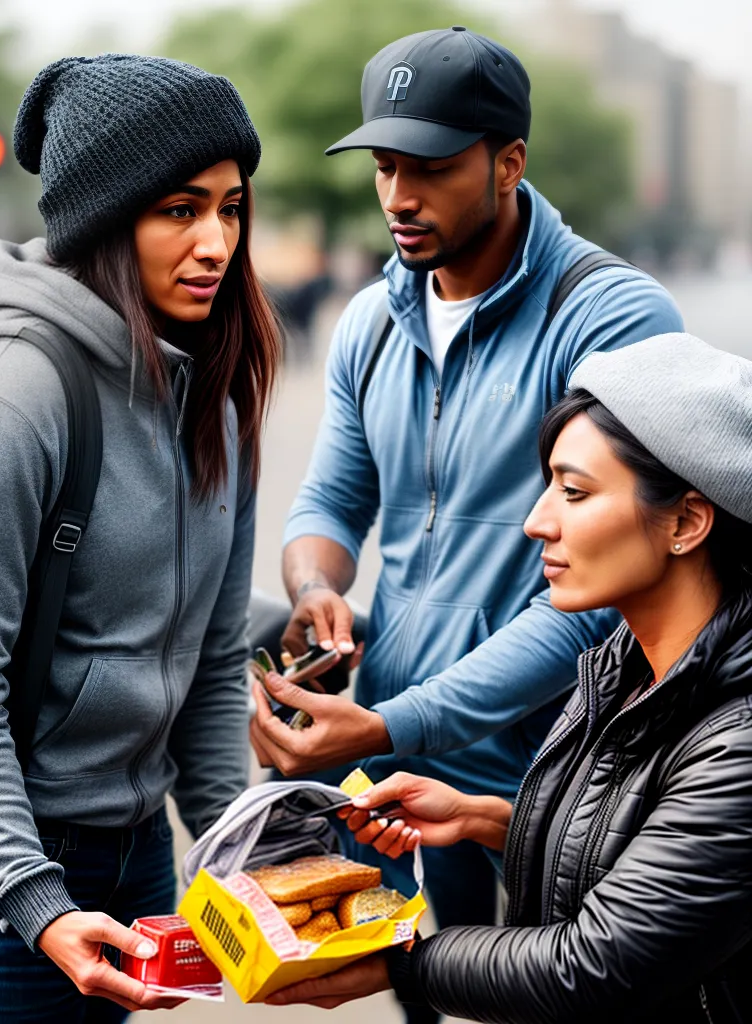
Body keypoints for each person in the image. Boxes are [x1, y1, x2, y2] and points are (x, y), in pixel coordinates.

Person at [248, 25, 683, 993]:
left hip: (561, 770)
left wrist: (389, 720)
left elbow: (613, 594)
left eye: (432, 168)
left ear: (508, 161)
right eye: (384, 165)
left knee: (563, 993)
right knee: (418, 986)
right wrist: (317, 588)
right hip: (401, 766)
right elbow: (330, 497)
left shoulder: (611, 319)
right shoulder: (371, 318)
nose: (399, 197)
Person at [0, 55, 279, 1023]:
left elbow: (208, 662)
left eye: (231, 208)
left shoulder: (215, 399)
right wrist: (35, 899)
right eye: (179, 209)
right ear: (105, 218)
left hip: (138, 852)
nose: (216, 243)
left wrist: (236, 852)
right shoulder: (10, 398)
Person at [267, 332, 752, 1023]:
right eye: (547, 484)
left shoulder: (737, 742)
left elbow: (593, 966)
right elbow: (636, 855)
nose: (535, 522)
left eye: (575, 493)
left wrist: (398, 965)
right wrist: (488, 819)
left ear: (687, 520)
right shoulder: (620, 670)